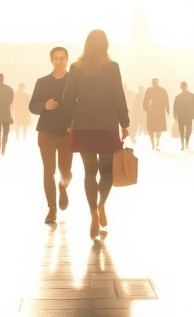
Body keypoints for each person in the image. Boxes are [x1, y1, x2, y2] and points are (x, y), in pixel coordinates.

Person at [61, 29, 129, 241]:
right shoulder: (112, 67)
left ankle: (92, 213)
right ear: (105, 45)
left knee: (89, 172)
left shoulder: (75, 68)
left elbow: (68, 98)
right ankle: (101, 206)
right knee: (106, 171)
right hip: (107, 124)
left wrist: (68, 124)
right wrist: (124, 123)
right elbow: (119, 96)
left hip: (83, 124)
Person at [30, 46, 74, 223]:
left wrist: (75, 124)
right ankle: (52, 209)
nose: (59, 61)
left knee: (66, 171)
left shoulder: (74, 81)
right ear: (51, 60)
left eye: (62, 58)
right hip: (46, 132)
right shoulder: (42, 82)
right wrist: (44, 106)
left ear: (67, 59)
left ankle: (63, 187)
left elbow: (80, 105)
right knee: (48, 171)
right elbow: (32, 106)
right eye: (55, 58)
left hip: (67, 133)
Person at [142, 78, 170, 150]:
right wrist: (167, 109)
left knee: (151, 128)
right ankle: (157, 140)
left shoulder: (149, 90)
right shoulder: (163, 91)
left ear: (152, 83)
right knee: (159, 127)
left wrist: (145, 107)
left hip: (151, 111)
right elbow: (166, 101)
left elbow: (146, 100)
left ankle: (152, 143)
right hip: (160, 111)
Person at [173, 81, 194, 150]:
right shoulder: (191, 95)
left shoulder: (178, 97)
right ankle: (185, 143)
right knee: (188, 130)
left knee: (182, 130)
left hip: (181, 115)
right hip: (188, 115)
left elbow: (175, 107)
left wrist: (175, 116)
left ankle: (183, 143)